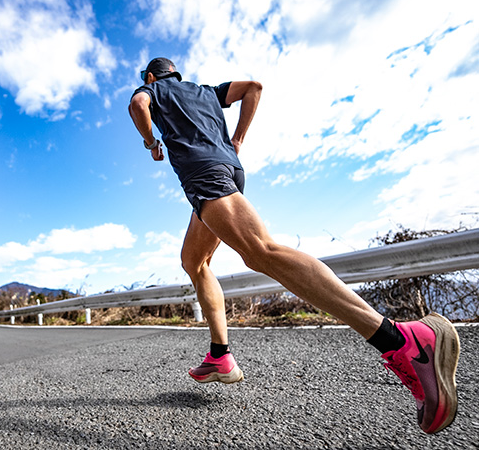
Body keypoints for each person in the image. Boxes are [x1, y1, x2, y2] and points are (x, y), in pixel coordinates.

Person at [128, 57, 460, 434]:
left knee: (259, 251)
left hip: (203, 173)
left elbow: (138, 106)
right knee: (194, 261)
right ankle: (220, 356)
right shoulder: (206, 92)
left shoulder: (154, 89)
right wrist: (237, 140)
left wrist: (150, 140)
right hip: (225, 170)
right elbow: (253, 88)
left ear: (152, 76)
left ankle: (402, 340)